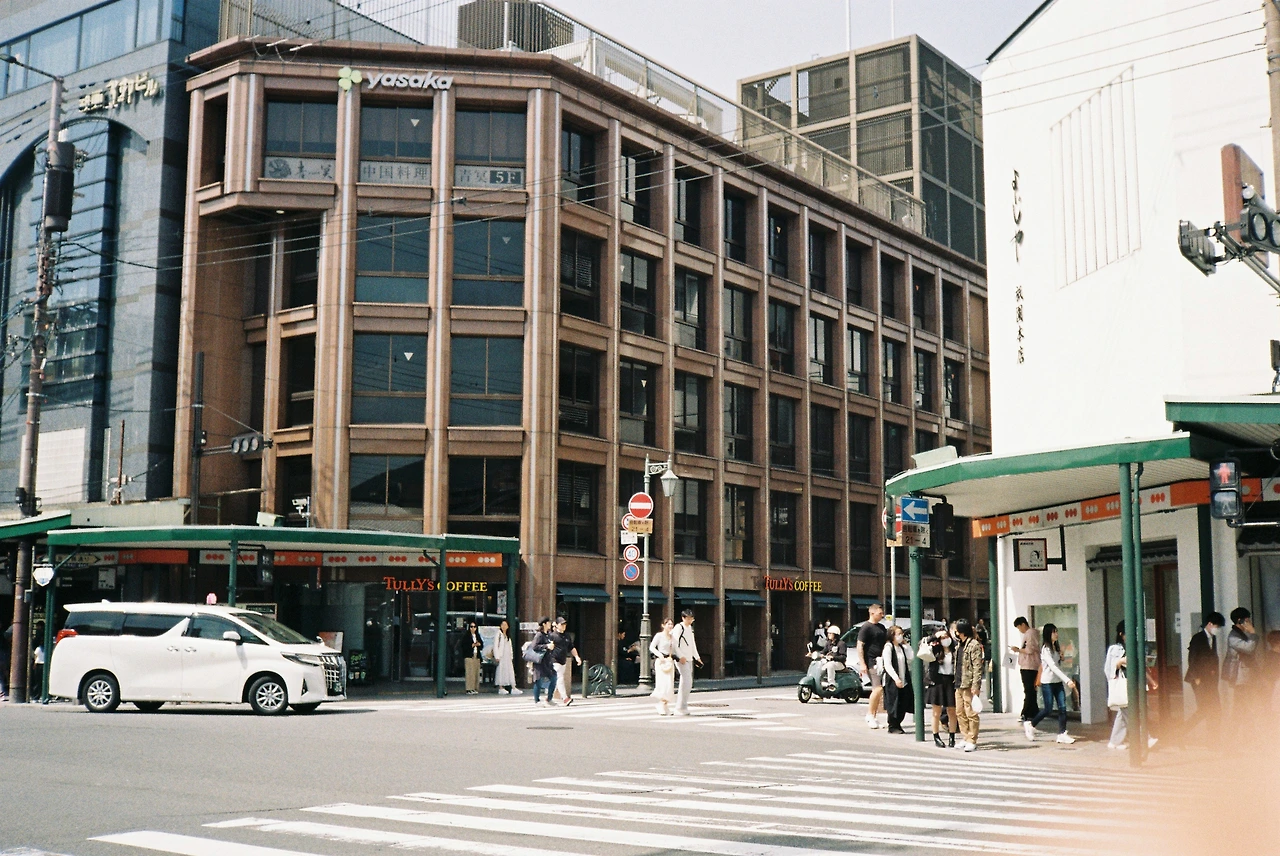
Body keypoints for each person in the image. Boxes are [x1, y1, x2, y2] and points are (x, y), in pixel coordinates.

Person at [1104, 621, 1158, 751]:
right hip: (1125, 685)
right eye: (1127, 633)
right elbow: (1109, 669)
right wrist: (1120, 662)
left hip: (1137, 683)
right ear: (1121, 634)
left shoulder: (1135, 647)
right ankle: (1146, 739)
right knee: (1132, 714)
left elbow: (1141, 667)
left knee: (1123, 714)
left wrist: (1151, 681)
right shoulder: (1115, 649)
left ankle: (1114, 742)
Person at [1026, 622, 1076, 744]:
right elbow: (1053, 667)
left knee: (1062, 707)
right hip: (1048, 682)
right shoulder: (1045, 649)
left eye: (1056, 631)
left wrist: (1061, 658)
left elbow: (1057, 664)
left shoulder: (1055, 648)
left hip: (1057, 682)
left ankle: (1062, 733)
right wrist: (1067, 680)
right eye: (1054, 632)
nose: (1056, 634)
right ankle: (1031, 724)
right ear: (1048, 634)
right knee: (1048, 709)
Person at [1184, 611, 1225, 741]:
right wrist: (1197, 678)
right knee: (1205, 709)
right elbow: (1192, 658)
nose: (1218, 629)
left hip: (1210, 680)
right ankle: (1179, 734)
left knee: (1214, 709)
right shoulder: (1198, 638)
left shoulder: (1213, 639)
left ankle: (1213, 739)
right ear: (1210, 624)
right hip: (1200, 680)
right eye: (1217, 626)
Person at [1225, 607, 1260, 726]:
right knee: (1241, 706)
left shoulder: (1242, 634)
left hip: (1245, 677)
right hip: (1240, 677)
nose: (1249, 622)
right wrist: (1253, 633)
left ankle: (1243, 731)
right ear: (1240, 620)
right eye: (1247, 620)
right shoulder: (1233, 636)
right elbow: (1249, 648)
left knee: (1243, 706)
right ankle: (1237, 732)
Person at [926, 625, 959, 748]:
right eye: (942, 637)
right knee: (937, 712)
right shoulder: (934, 650)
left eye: (946, 636)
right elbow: (922, 645)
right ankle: (936, 736)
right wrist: (934, 637)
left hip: (951, 680)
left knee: (952, 710)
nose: (945, 639)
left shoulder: (955, 649)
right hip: (938, 681)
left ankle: (952, 736)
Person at [857, 604, 887, 729]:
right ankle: (869, 715)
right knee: (877, 688)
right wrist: (862, 663)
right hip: (871, 661)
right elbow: (860, 645)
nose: (882, 615)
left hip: (881, 661)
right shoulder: (866, 627)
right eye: (880, 613)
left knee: (880, 690)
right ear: (872, 613)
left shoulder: (881, 627)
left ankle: (874, 716)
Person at [954, 618, 983, 752]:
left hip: (968, 683)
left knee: (971, 712)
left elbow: (977, 666)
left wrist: (976, 685)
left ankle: (972, 739)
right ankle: (965, 736)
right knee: (960, 712)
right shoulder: (959, 645)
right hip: (958, 683)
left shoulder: (973, 645)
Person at [881, 624, 914, 734]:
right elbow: (887, 665)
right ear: (892, 635)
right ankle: (892, 725)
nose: (901, 636)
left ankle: (898, 724)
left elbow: (911, 657)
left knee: (903, 703)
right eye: (898, 634)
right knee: (893, 703)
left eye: (901, 634)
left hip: (903, 679)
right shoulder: (888, 647)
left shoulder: (901, 648)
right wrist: (896, 678)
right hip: (892, 680)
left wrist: (907, 645)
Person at [1010, 617, 1041, 723]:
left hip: (1029, 666)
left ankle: (1026, 712)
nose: (1020, 630)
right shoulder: (1030, 634)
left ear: (1023, 624)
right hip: (1028, 665)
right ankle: (1033, 711)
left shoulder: (1030, 634)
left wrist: (1018, 650)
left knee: (1028, 690)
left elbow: (1030, 649)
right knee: (1030, 690)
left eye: (1019, 627)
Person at [672, 609, 702, 715]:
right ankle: (680, 707)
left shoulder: (689, 628)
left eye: (691, 619)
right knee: (686, 681)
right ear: (683, 618)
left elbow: (692, 644)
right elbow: (674, 644)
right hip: (682, 659)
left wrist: (697, 658)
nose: (690, 621)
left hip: (689, 658)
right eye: (688, 619)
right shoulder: (678, 627)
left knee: (687, 683)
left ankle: (683, 706)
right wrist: (680, 656)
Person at [550, 616, 582, 706]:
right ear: (557, 625)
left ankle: (548, 697)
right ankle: (565, 698)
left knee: (556, 680)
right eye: (561, 624)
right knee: (560, 679)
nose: (564, 626)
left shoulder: (567, 636)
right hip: (554, 660)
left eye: (564, 624)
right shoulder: (552, 636)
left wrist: (577, 657)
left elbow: (571, 647)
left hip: (563, 660)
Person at [649, 617, 677, 715]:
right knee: (662, 684)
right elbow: (652, 647)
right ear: (663, 625)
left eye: (671, 624)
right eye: (668, 624)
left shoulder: (673, 637)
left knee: (669, 685)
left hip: (669, 662)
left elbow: (676, 649)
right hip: (661, 662)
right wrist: (659, 655)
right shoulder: (659, 636)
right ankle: (661, 704)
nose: (670, 626)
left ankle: (665, 705)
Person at [530, 617, 558, 706]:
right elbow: (534, 646)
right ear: (544, 624)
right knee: (539, 681)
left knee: (554, 678)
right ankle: (537, 700)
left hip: (548, 661)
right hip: (540, 662)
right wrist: (546, 646)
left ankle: (549, 699)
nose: (550, 624)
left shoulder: (548, 634)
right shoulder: (539, 635)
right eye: (548, 623)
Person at [492, 619, 519, 695]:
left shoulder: (507, 635)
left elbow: (510, 647)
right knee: (501, 671)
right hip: (501, 656)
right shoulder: (498, 634)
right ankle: (501, 688)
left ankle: (513, 687)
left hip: (507, 656)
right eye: (502, 624)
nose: (504, 626)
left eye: (505, 625)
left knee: (509, 671)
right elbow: (495, 646)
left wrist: (511, 656)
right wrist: (497, 656)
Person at [820, 625, 848, 690]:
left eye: (830, 633)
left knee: (830, 665)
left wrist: (833, 657)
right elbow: (824, 651)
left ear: (835, 634)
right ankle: (821, 683)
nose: (828, 635)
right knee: (820, 665)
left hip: (840, 664)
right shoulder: (828, 643)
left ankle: (831, 684)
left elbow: (843, 657)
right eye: (828, 633)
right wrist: (818, 654)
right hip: (829, 662)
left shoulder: (841, 644)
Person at [463, 621, 483, 695]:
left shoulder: (477, 636)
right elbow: (464, 646)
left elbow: (481, 645)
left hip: (476, 655)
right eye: (471, 627)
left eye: (474, 627)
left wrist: (478, 644)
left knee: (476, 672)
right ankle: (469, 688)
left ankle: (475, 688)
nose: (473, 628)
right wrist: (472, 645)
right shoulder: (466, 636)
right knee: (470, 673)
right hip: (469, 656)